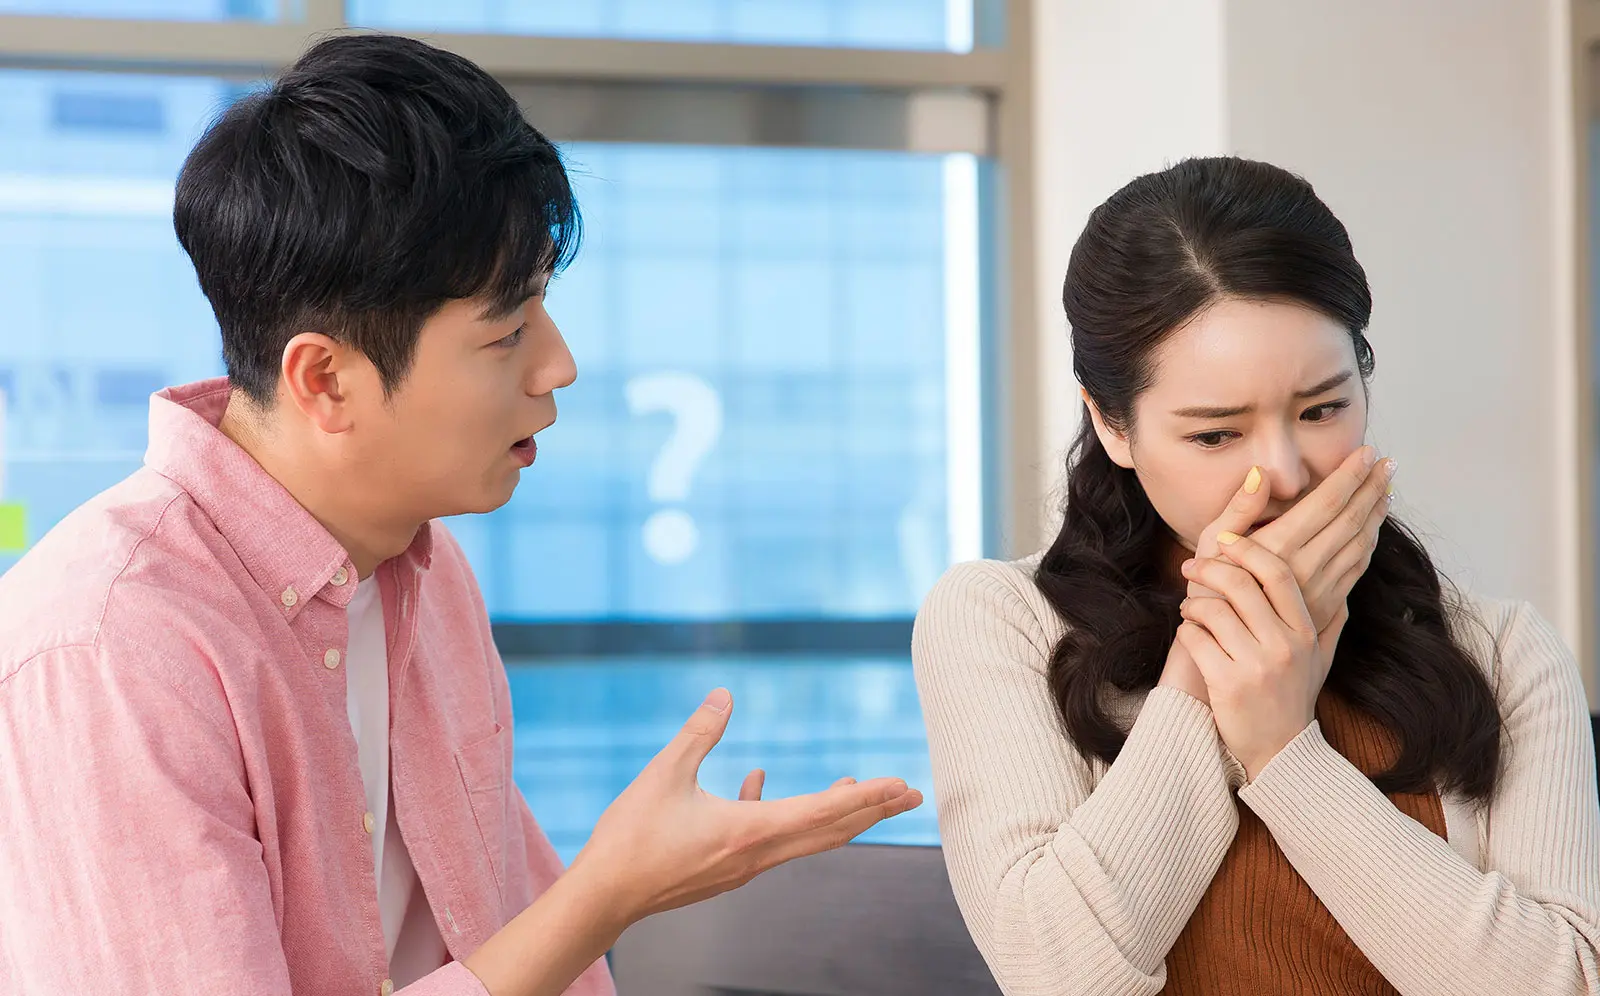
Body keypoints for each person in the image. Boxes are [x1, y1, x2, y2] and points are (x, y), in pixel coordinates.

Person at [0, 33, 922, 996]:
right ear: (325, 379)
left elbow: (514, 940)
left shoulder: (427, 573)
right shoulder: (108, 652)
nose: (558, 365)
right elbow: (555, 931)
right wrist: (609, 892)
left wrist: (620, 890)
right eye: (507, 331)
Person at [912, 156, 1600, 995]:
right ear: (1112, 423)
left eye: (1323, 409)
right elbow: (1057, 975)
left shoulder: (1502, 650)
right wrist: (1211, 662)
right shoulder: (1003, 621)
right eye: (1216, 435)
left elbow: (1565, 983)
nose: (1285, 474)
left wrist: (1283, 751)